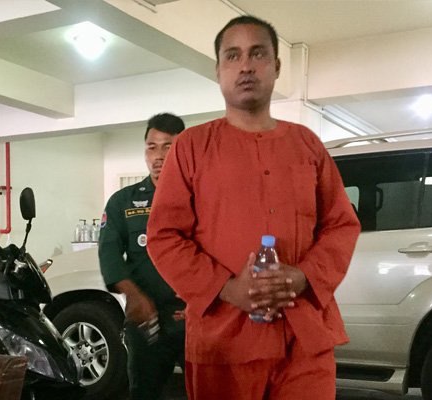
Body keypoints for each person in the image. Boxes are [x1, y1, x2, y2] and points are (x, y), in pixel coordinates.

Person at [147, 15, 361, 400]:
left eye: (257, 54)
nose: (245, 66)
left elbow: (341, 225)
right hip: (223, 339)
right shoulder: (191, 147)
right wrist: (227, 289)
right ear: (218, 71)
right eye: (233, 56)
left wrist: (304, 276)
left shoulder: (307, 144)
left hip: (304, 336)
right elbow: (164, 236)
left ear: (276, 66)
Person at [98, 113, 186, 400]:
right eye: (152, 147)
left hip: (193, 317)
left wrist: (204, 302)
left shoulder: (202, 197)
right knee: (143, 392)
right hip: (147, 317)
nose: (158, 156)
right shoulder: (123, 201)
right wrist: (134, 296)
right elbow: (109, 252)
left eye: (168, 146)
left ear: (182, 149)